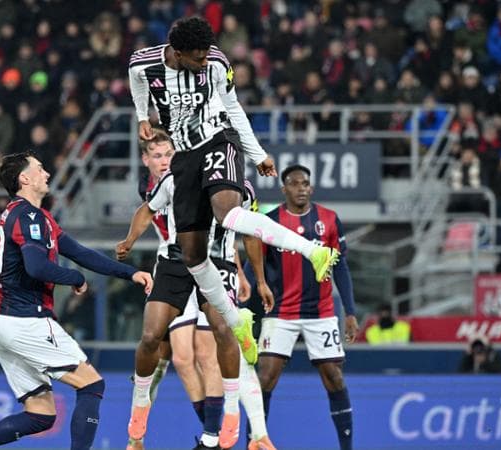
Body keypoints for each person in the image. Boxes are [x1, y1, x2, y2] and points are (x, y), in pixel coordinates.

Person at [128, 17, 341, 371]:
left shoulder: (216, 62)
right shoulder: (143, 63)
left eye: (205, 55)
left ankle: (313, 251)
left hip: (218, 140)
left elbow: (233, 107)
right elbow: (137, 80)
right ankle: (236, 319)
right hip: (184, 156)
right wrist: (140, 116)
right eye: (196, 57)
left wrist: (257, 155)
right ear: (177, 53)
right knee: (193, 255)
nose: (203, 61)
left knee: (227, 212)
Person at [0, 152, 153, 450]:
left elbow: (80, 253)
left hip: (3, 324)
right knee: (92, 384)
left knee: (40, 414)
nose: (47, 174)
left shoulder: (29, 216)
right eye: (40, 169)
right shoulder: (29, 216)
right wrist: (75, 278)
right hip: (26, 320)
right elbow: (36, 267)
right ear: (24, 178)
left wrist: (130, 273)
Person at [118, 130, 272, 449]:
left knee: (216, 340)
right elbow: (148, 209)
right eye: (157, 155)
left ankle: (230, 423)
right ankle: (143, 413)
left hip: (218, 264)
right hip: (175, 263)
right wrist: (130, 240)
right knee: (161, 343)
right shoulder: (172, 177)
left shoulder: (241, 187)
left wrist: (255, 278)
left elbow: (250, 233)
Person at [255, 165, 358, 450]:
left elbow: (341, 267)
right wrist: (248, 296)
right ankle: (255, 443)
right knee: (265, 378)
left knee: (334, 377)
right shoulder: (270, 221)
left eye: (305, 184)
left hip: (321, 312)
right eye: (295, 183)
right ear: (284, 189)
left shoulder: (329, 219)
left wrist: (349, 311)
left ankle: (347, 447)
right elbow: (256, 264)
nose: (301, 188)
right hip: (281, 312)